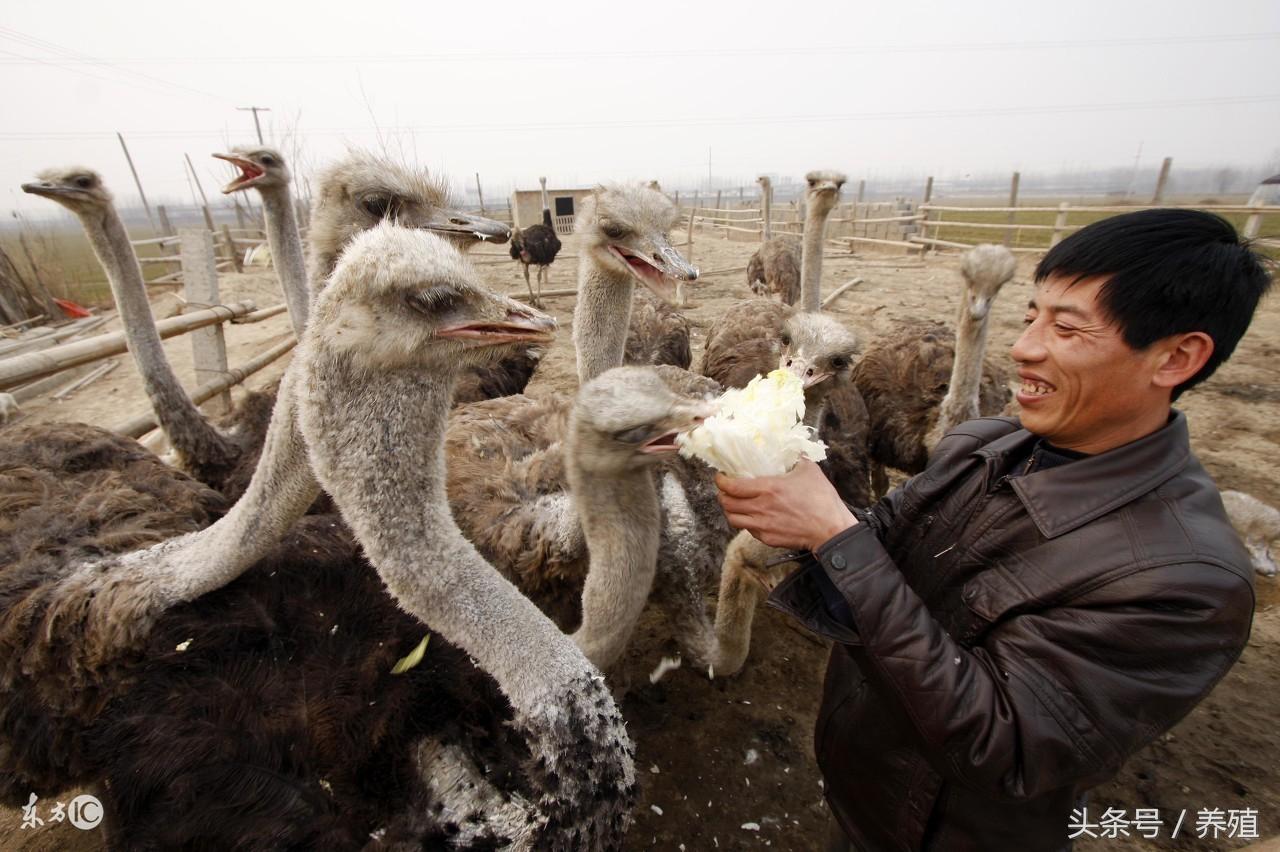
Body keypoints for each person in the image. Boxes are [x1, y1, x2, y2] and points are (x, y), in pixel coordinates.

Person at [715, 209, 1273, 852]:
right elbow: (879, 554)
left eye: (1066, 327)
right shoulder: (984, 445)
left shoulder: (1186, 580)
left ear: (1177, 357)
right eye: (1032, 315)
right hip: (862, 792)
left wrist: (836, 535)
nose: (1024, 346)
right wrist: (799, 524)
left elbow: (999, 747)